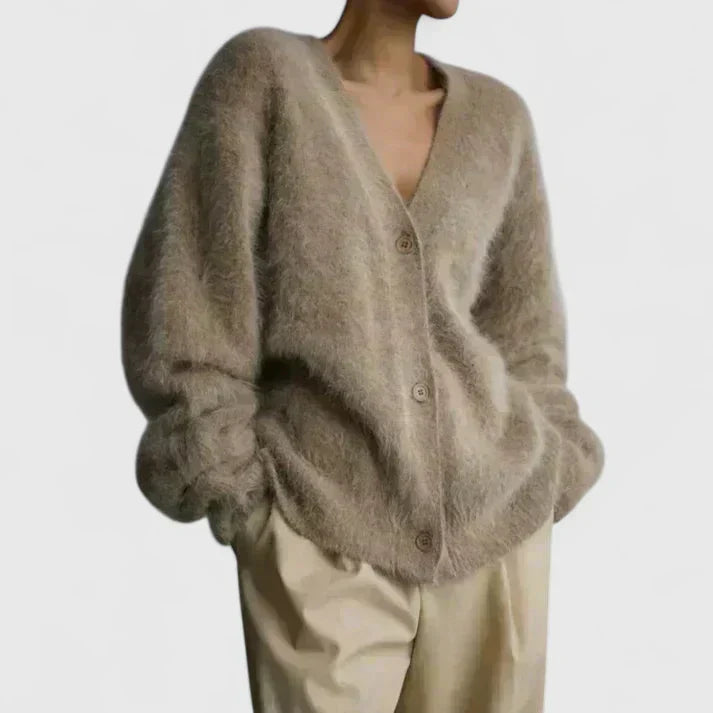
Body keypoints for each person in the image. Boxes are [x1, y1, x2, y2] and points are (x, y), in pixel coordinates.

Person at [120, 2, 605, 711]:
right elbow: (190, 301)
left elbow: (526, 336)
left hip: (494, 534)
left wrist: (553, 461)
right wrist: (246, 503)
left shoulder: (499, 119)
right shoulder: (263, 77)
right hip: (321, 525)